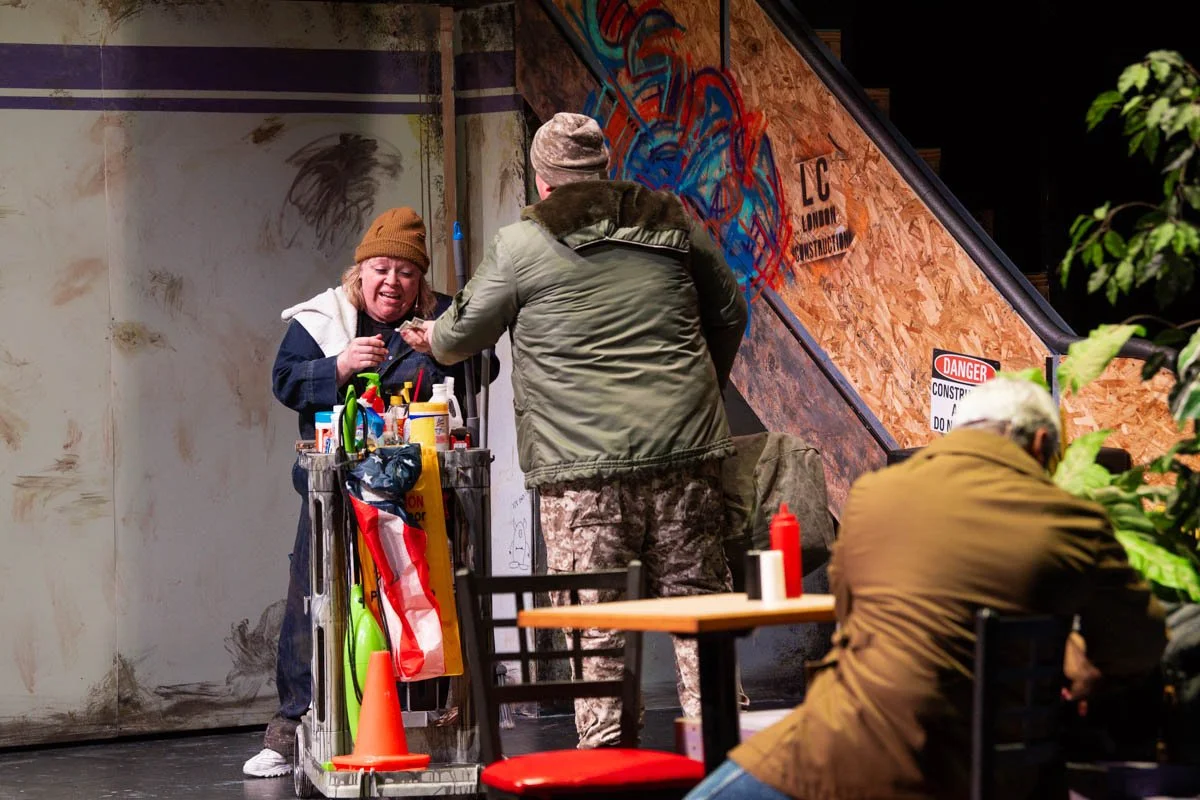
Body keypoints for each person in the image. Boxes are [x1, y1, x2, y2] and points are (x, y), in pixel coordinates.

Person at [402, 112, 749, 747]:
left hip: (581, 472)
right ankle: (728, 765)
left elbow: (458, 339)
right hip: (685, 456)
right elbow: (731, 310)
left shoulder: (521, 244)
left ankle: (610, 770)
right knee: (702, 614)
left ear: (542, 180)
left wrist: (432, 335)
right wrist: (700, 398)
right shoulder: (668, 221)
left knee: (597, 629)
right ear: (602, 169)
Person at [684, 376, 1168, 799]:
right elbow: (1136, 645)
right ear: (1041, 445)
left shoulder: (875, 496)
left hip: (837, 756)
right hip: (986, 775)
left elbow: (851, 615)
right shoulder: (1074, 520)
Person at [243, 207, 495, 778]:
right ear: (360, 273)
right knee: (314, 599)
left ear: (421, 281)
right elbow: (285, 381)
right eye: (381, 268)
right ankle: (289, 729)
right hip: (333, 493)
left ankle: (435, 719)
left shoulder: (441, 317)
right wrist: (338, 366)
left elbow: (486, 369)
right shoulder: (325, 318)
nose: (392, 283)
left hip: (424, 492)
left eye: (406, 273)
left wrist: (443, 347)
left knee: (426, 596)